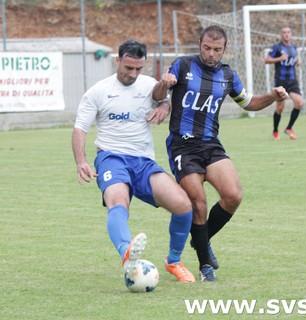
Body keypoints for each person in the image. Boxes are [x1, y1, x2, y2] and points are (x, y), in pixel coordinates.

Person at [153, 25, 288, 282]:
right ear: (199, 44)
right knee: (199, 203)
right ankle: (205, 266)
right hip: (183, 145)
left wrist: (272, 96)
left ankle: (199, 241)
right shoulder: (182, 66)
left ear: (224, 50)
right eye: (207, 48)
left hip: (211, 144)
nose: (211, 54)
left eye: (217, 50)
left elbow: (249, 103)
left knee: (233, 196)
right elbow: (158, 95)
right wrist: (164, 83)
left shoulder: (228, 75)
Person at [72, 40, 196, 285]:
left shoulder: (149, 84)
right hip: (111, 157)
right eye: (128, 67)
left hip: (143, 162)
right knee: (118, 202)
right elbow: (80, 128)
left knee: (183, 205)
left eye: (138, 69)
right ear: (117, 60)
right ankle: (127, 254)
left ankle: (174, 262)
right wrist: (81, 161)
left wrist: (164, 106)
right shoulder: (98, 91)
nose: (133, 74)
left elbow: (160, 96)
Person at [265, 26, 303, 140]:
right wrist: (279, 58)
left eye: (288, 32)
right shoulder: (277, 47)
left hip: (292, 80)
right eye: (284, 32)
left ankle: (289, 128)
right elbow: (267, 60)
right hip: (280, 81)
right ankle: (275, 131)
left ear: (291, 34)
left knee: (299, 103)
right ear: (281, 35)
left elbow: (291, 59)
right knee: (280, 107)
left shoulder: (294, 47)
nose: (286, 34)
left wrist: (297, 61)